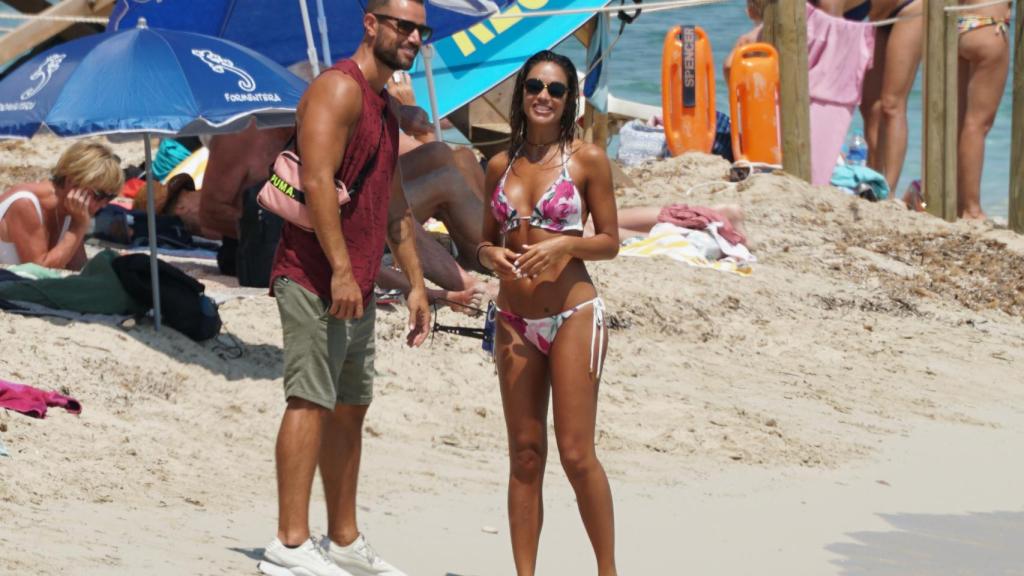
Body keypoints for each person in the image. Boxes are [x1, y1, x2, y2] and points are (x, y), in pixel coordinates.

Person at [260, 1, 431, 575]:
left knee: (350, 407)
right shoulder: (339, 89)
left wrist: (416, 285)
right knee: (309, 399)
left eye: (418, 29)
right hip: (314, 276)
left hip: (355, 280)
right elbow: (314, 179)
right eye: (402, 25)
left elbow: (396, 205)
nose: (412, 36)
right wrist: (337, 269)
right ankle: (287, 545)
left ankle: (343, 539)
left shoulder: (384, 106)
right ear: (371, 24)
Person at [478, 50, 620, 576]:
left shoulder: (587, 160)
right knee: (525, 454)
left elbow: (609, 242)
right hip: (514, 320)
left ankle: (607, 570)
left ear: (569, 102)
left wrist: (564, 247)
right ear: (521, 95)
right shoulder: (498, 165)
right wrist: (487, 256)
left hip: (572, 315)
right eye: (535, 86)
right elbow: (483, 243)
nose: (544, 96)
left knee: (577, 455)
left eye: (556, 90)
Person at [0, 140, 122, 269]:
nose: (104, 204)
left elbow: (77, 267)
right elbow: (39, 272)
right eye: (99, 195)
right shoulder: (24, 203)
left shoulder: (70, 209)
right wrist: (78, 227)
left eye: (110, 197)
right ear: (71, 181)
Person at [859, 0, 923, 193]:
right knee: (869, 105)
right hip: (877, 14)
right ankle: (873, 177)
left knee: (891, 104)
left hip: (910, 9)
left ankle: (888, 189)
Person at [955, 0, 1011, 220]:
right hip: (989, 26)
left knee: (957, 121)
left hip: (956, 25)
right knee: (978, 125)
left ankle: (957, 201)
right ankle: (972, 208)